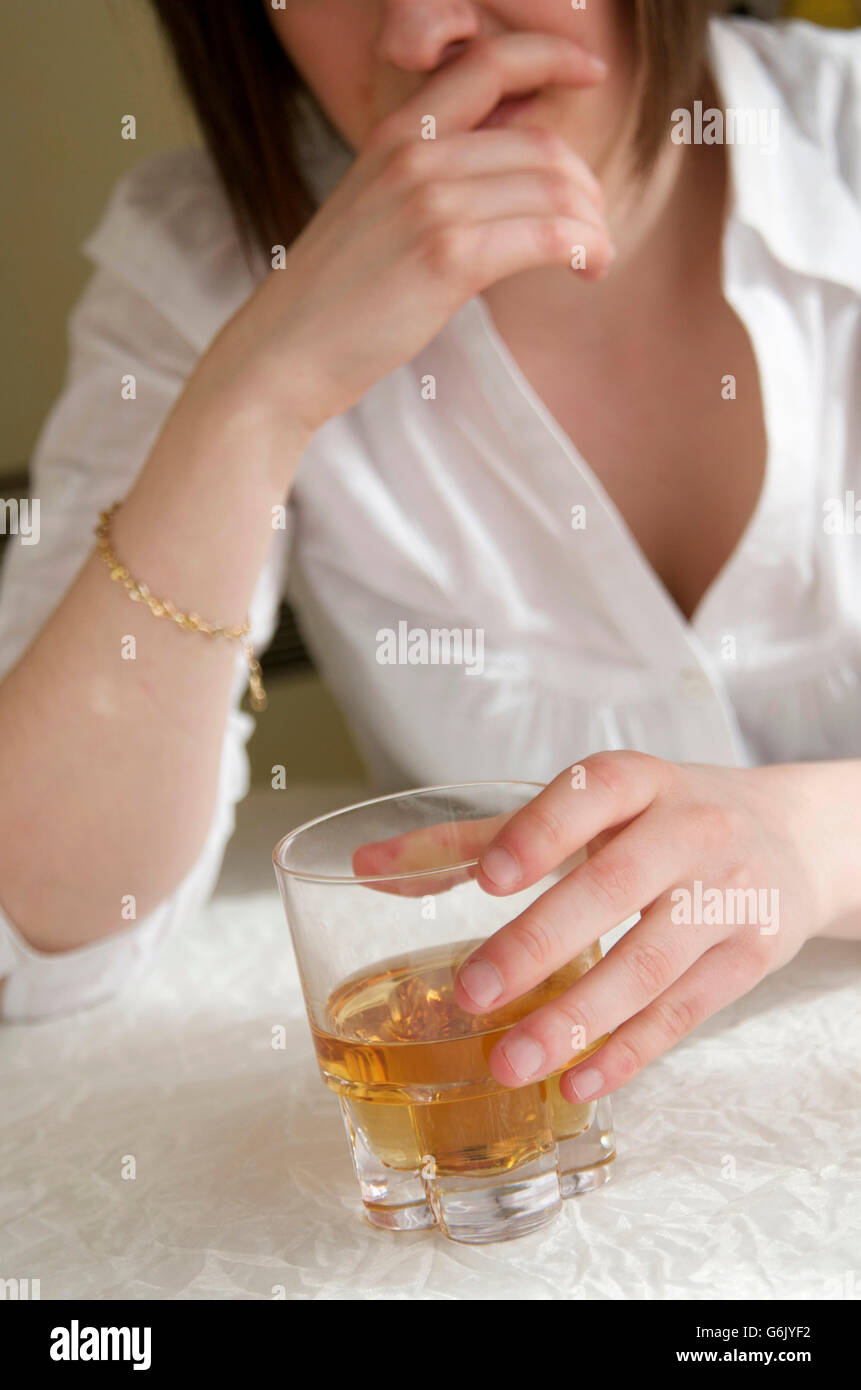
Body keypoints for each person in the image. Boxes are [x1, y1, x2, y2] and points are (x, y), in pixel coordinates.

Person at [0, 2, 858, 1110]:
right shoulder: (208, 257)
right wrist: (257, 399)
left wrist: (810, 840)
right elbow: (45, 925)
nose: (421, 31)